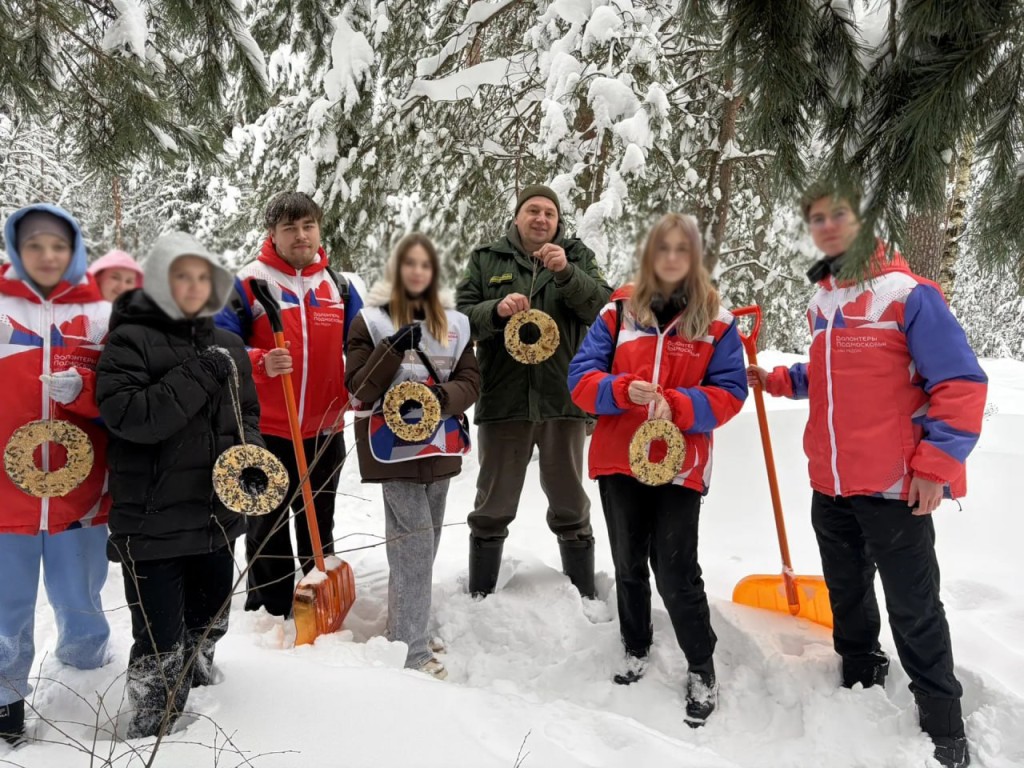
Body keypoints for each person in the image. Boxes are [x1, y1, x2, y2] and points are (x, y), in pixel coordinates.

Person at [746, 182, 986, 768]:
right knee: (847, 592)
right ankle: (859, 677)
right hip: (830, 484)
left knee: (914, 605)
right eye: (817, 218)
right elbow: (832, 371)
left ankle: (942, 722)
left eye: (839, 215)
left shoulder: (908, 295)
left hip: (894, 487)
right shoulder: (824, 302)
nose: (827, 226)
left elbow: (960, 384)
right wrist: (782, 381)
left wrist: (936, 467)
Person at [568, 213, 747, 726]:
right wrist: (621, 391)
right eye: (662, 248)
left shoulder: (716, 321)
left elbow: (731, 392)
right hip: (619, 456)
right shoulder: (618, 310)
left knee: (674, 567)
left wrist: (682, 405)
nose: (671, 257)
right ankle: (635, 645)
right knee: (628, 561)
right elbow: (581, 378)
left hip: (678, 461)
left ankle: (701, 665)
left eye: (681, 249)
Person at [96, 231, 261, 739]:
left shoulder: (230, 344)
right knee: (159, 639)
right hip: (154, 522)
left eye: (202, 277)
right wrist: (200, 371)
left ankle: (202, 686)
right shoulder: (130, 339)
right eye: (180, 276)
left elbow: (246, 414)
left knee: (211, 620)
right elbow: (131, 416)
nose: (193, 285)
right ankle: (155, 728)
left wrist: (247, 459)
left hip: (215, 517)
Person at [455, 184, 612, 599]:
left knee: (571, 503)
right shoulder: (487, 259)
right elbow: (460, 320)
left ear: (558, 222)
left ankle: (584, 596)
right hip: (504, 400)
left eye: (550, 213)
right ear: (518, 216)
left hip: (563, 399)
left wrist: (567, 274)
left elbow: (603, 309)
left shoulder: (576, 256)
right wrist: (496, 309)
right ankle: (480, 597)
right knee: (493, 502)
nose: (542, 219)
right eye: (533, 211)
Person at [216, 192, 365, 618]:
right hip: (267, 429)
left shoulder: (339, 286)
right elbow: (218, 349)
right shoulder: (248, 283)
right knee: (267, 524)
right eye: (290, 228)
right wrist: (259, 361)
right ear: (273, 234)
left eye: (308, 226)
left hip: (324, 428)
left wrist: (357, 386)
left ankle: (316, 595)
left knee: (319, 517)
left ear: (319, 230)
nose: (301, 236)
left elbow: (359, 348)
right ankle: (274, 608)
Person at [0, 205, 112, 747]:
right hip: (5, 500)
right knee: (4, 608)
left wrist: (85, 392)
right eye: (34, 245)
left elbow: (122, 394)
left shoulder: (99, 313)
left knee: (82, 603)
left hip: (81, 501)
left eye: (57, 245)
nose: (46, 256)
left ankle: (84, 689)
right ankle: (3, 703)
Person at [346, 233, 480, 680]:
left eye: (425, 265)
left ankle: (410, 624)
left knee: (426, 542)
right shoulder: (369, 321)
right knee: (414, 543)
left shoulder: (456, 324)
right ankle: (409, 649)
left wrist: (438, 398)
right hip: (391, 450)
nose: (417, 273)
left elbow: (471, 381)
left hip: (438, 446)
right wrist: (391, 349)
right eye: (409, 265)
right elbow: (359, 389)